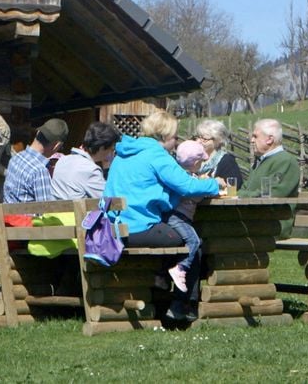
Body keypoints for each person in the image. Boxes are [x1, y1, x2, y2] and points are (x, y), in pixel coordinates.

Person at [103, 111, 224, 321]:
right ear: (165, 136)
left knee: (173, 233)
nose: (176, 142)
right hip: (138, 227)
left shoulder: (123, 154)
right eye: (175, 137)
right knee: (190, 241)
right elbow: (187, 186)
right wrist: (215, 184)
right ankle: (183, 306)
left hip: (115, 226)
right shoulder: (156, 155)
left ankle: (163, 297)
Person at [165, 140, 210, 293]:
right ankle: (181, 268)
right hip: (178, 217)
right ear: (196, 162)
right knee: (194, 240)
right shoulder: (188, 180)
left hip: (175, 216)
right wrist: (206, 186)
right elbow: (196, 196)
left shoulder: (177, 173)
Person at [3, 118, 68, 203]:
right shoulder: (39, 171)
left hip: (8, 215)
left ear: (37, 133)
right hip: (27, 216)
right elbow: (46, 211)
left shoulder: (15, 158)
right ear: (56, 146)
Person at [51, 122, 121, 200]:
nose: (111, 153)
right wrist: (106, 168)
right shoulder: (90, 170)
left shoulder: (63, 160)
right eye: (111, 150)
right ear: (102, 148)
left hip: (54, 211)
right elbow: (108, 199)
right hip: (76, 211)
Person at [238, 118, 300, 198]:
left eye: (255, 136)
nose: (252, 140)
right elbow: (245, 188)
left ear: (270, 139)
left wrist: (242, 195)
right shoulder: (261, 161)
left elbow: (271, 193)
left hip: (272, 210)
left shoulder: (285, 161)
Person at [194, 119, 243, 189]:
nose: (199, 142)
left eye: (204, 139)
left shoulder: (227, 161)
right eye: (198, 137)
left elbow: (234, 188)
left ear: (218, 140)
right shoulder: (193, 159)